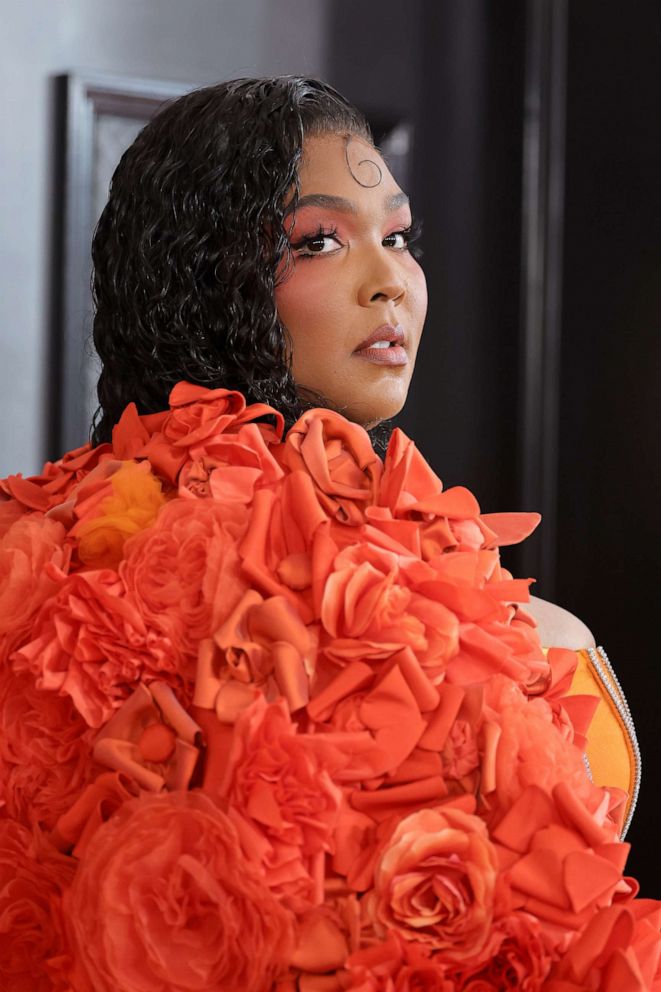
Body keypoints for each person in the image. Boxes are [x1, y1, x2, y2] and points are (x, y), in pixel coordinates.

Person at [0, 76, 648, 991]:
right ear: (203, 274)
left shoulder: (39, 542)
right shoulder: (143, 581)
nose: (388, 281)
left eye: (396, 237)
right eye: (319, 241)